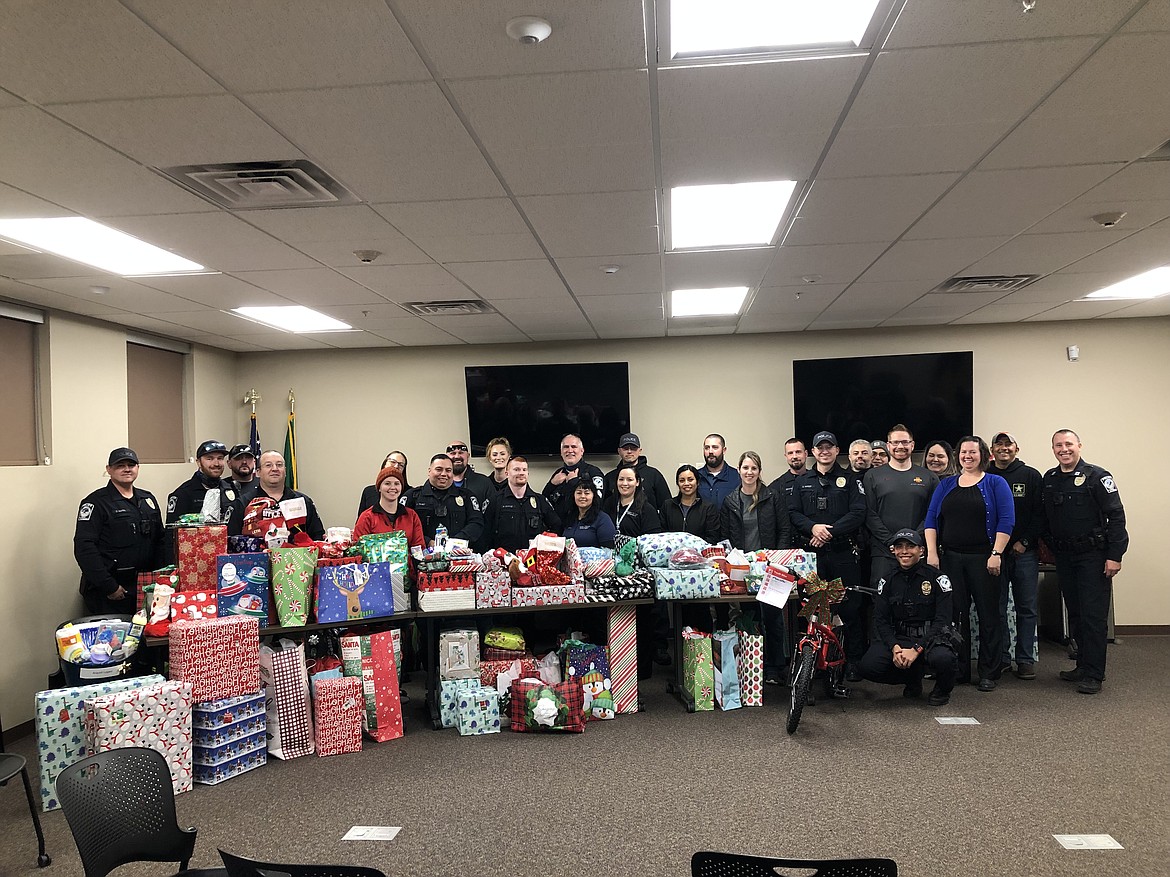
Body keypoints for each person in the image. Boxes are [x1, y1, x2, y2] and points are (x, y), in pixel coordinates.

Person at [1040, 429, 1128, 695]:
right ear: (1053, 449)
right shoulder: (1050, 478)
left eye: (1068, 444)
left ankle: (1094, 673)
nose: (1063, 449)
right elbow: (1046, 518)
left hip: (1093, 556)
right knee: (1075, 613)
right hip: (1065, 557)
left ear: (1079, 445)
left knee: (1092, 616)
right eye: (1058, 445)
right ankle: (1081, 664)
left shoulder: (1098, 477)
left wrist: (1115, 555)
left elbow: (1116, 517)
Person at [924, 436, 1015, 691]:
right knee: (955, 616)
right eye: (963, 452)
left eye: (973, 452)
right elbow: (931, 519)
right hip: (951, 558)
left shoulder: (996, 483)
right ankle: (959, 669)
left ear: (983, 455)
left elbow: (1006, 520)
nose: (968, 456)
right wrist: (932, 553)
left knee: (988, 616)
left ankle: (989, 671)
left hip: (985, 559)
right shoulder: (946, 485)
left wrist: (996, 553)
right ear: (958, 455)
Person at [787, 432, 868, 680]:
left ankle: (852, 661)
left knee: (850, 608)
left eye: (829, 447)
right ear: (813, 451)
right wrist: (812, 528)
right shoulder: (802, 482)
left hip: (842, 553)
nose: (824, 451)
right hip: (814, 557)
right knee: (815, 608)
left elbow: (858, 513)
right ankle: (817, 663)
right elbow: (793, 513)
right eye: (820, 447)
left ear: (836, 450)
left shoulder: (850, 480)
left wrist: (828, 532)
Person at [858, 529, 957, 707]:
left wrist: (917, 649)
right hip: (901, 638)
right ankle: (912, 678)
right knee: (868, 666)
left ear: (921, 551)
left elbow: (943, 620)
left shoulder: (938, 578)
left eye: (910, 546)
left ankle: (942, 690)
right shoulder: (887, 581)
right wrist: (895, 648)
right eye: (899, 547)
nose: (905, 551)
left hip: (932, 637)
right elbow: (881, 620)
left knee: (944, 659)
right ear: (893, 551)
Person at [720, 451, 788, 685]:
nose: (749, 472)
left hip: (770, 567)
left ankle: (775, 666)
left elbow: (784, 530)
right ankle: (751, 667)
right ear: (738, 470)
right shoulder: (730, 501)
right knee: (748, 618)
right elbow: (725, 537)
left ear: (759, 471)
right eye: (745, 468)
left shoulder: (773, 497)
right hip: (743, 569)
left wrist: (776, 559)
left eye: (754, 468)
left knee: (773, 618)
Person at [74, 447, 165, 614]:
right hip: (111, 591)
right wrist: (109, 586)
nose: (127, 469)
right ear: (109, 469)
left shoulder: (147, 500)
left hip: (145, 586)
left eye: (131, 464)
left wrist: (161, 580)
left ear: (138, 468)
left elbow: (160, 540)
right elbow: (84, 548)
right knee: (114, 639)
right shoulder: (96, 503)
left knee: (146, 638)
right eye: (120, 465)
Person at [990, 432, 1044, 680]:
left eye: (1007, 444)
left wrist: (1025, 541)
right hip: (995, 554)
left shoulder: (1031, 476)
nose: (1004, 449)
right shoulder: (985, 475)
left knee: (1027, 607)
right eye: (999, 445)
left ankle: (1024, 659)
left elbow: (1039, 514)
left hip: (1025, 553)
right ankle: (1002, 658)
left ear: (1016, 449)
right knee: (997, 607)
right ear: (992, 450)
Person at [863, 424, 939, 587]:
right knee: (882, 602)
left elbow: (932, 514)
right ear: (888, 445)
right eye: (895, 442)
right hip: (884, 551)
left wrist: (913, 542)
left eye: (905, 442)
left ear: (912, 445)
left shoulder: (929, 477)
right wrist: (893, 542)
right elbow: (869, 513)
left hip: (917, 551)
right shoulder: (872, 476)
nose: (900, 446)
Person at [402, 454, 485, 548]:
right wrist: (427, 541)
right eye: (439, 469)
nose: (444, 474)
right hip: (422, 554)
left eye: (448, 470)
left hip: (459, 554)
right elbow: (403, 526)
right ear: (429, 471)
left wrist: (455, 542)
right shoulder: (413, 496)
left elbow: (476, 523)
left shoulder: (466, 496)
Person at [482, 456, 562, 551]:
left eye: (524, 470)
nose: (521, 473)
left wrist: (545, 547)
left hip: (532, 560)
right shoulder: (495, 500)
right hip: (504, 559)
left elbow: (557, 527)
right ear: (507, 473)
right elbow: (484, 532)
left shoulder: (540, 500)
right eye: (516, 469)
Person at [166, 439, 244, 535]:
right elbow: (171, 535)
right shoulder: (183, 493)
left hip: (228, 547)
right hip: (197, 547)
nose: (216, 464)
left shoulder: (231, 489)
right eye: (209, 459)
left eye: (220, 458)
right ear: (198, 462)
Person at [249, 450, 326, 542]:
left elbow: (317, 537)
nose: (274, 469)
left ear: (285, 470)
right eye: (268, 465)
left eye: (279, 465)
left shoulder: (303, 501)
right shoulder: (245, 502)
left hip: (298, 555)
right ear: (258, 472)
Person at [352, 465, 425, 551]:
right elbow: (358, 550)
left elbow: (419, 548)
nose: (393, 487)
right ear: (379, 487)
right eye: (387, 483)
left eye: (397, 483)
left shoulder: (411, 516)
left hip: (407, 564)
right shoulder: (366, 517)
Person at [542, 434, 606, 523]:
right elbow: (543, 502)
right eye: (566, 447)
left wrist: (574, 482)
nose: (570, 450)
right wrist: (551, 485)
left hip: (585, 526)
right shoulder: (558, 473)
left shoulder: (593, 472)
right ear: (561, 452)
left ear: (582, 451)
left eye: (574, 447)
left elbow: (598, 502)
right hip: (559, 528)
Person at [603, 433, 671, 514]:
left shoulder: (654, 475)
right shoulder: (609, 477)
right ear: (619, 451)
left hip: (648, 523)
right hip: (617, 523)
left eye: (633, 448)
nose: (629, 451)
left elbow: (666, 506)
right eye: (625, 448)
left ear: (639, 451)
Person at [661, 465, 720, 542]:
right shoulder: (667, 505)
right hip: (672, 552)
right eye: (682, 480)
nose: (686, 483)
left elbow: (713, 538)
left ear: (698, 482)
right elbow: (662, 535)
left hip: (699, 552)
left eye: (690, 479)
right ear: (678, 484)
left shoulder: (708, 508)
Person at [604, 464, 664, 538]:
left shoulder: (647, 509)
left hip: (636, 549)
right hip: (609, 548)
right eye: (621, 479)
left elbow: (652, 540)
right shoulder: (608, 504)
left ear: (637, 482)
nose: (624, 483)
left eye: (630, 479)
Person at [561, 478, 616, 549]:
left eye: (587, 493)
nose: (582, 496)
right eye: (579, 493)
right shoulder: (569, 517)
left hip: (596, 559)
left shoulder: (602, 519)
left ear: (593, 496)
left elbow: (609, 549)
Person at [356, 451, 410, 516]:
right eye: (393, 462)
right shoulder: (368, 492)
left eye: (401, 465)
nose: (396, 466)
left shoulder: (410, 493)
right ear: (384, 464)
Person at [446, 439, 493, 510]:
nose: (457, 456)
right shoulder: (439, 483)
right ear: (446, 457)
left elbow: (492, 514)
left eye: (461, 452)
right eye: (453, 453)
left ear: (468, 456)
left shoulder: (484, 483)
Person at [697, 433, 741, 508]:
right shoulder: (696, 476)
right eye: (707, 448)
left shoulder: (736, 476)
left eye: (715, 447)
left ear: (724, 450)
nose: (710, 451)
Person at [767, 437, 807, 513]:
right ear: (786, 456)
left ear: (805, 454)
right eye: (790, 453)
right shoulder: (776, 487)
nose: (794, 456)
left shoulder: (817, 479)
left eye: (798, 452)